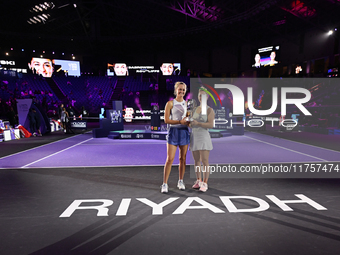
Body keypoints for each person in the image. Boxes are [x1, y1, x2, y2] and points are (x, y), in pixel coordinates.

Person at [161, 81, 190, 193]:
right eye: (180, 89)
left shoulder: (187, 104)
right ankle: (164, 184)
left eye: (183, 90)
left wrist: (189, 122)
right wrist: (179, 121)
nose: (181, 91)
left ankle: (181, 181)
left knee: (182, 159)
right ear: (176, 90)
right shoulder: (170, 103)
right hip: (173, 131)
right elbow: (166, 120)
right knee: (170, 159)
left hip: (184, 132)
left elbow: (188, 119)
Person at [189, 88, 214, 192]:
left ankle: (205, 182)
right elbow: (190, 123)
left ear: (207, 97)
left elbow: (211, 124)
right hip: (194, 136)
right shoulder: (194, 109)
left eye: (203, 96)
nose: (201, 97)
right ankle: (198, 180)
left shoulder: (209, 110)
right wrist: (189, 122)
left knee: (205, 161)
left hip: (203, 137)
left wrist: (198, 123)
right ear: (198, 97)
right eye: (200, 95)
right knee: (196, 161)